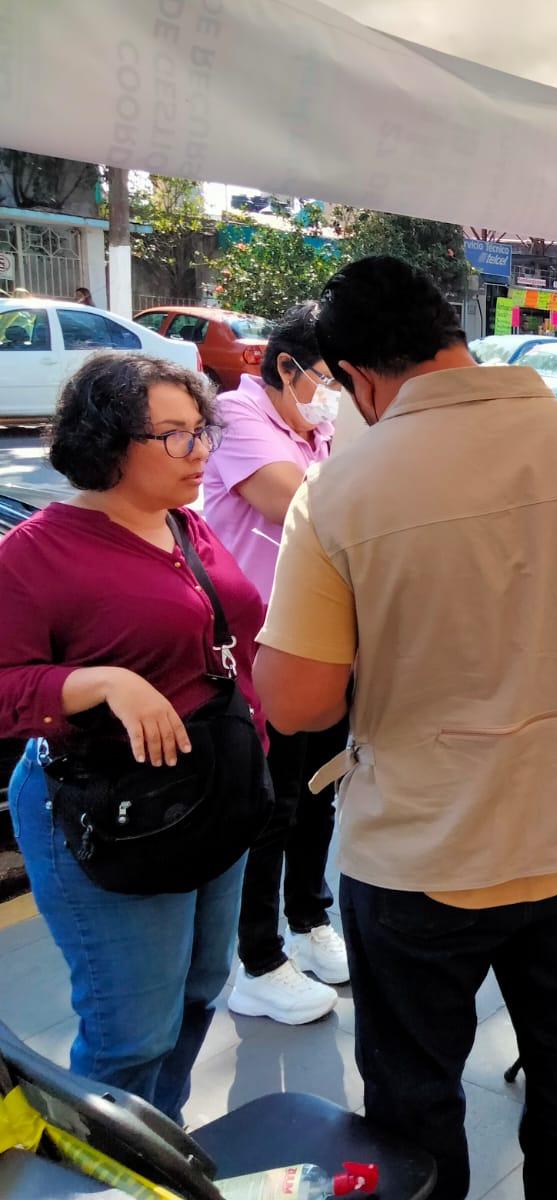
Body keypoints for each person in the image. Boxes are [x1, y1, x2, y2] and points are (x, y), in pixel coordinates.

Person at [249, 257, 557, 1200]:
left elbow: (298, 704)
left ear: (356, 378)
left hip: (423, 850)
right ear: (452, 333)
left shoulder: (339, 491)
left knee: (415, 1094)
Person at [0, 353, 266, 1120]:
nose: (200, 450)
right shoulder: (37, 553)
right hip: (110, 808)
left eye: (202, 430)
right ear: (108, 440)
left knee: (199, 988)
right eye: (175, 434)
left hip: (209, 790)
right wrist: (97, 683)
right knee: (131, 1032)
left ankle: (162, 1139)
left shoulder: (185, 524)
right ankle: (108, 1167)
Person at [201, 301, 347, 1026]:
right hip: (260, 648)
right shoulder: (238, 415)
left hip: (325, 639)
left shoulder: (320, 428)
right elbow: (297, 506)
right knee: (272, 802)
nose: (334, 394)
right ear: (287, 367)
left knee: (321, 787)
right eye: (328, 378)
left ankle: (309, 918)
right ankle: (257, 960)